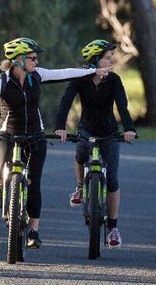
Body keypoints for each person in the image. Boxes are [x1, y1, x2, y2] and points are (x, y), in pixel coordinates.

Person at [0, 37, 109, 249]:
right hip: (8, 132)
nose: (37, 62)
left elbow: (64, 73)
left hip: (35, 134)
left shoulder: (38, 75)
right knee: (2, 163)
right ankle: (1, 186)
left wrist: (91, 72)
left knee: (34, 182)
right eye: (33, 58)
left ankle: (34, 230)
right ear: (19, 59)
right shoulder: (2, 81)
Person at [54, 39, 137, 248]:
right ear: (94, 61)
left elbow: (122, 106)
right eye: (107, 58)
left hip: (109, 131)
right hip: (86, 128)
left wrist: (129, 129)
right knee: (81, 153)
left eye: (111, 57)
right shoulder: (80, 78)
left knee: (113, 178)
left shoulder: (115, 80)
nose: (111, 61)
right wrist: (60, 126)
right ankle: (81, 187)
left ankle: (113, 227)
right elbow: (66, 101)